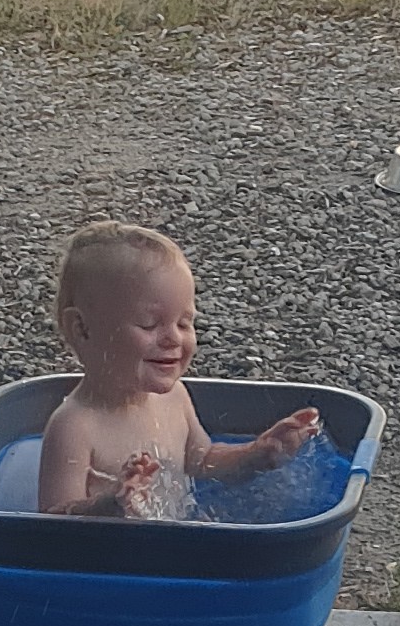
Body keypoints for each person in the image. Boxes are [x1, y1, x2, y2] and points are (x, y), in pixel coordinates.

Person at [38, 218, 320, 517]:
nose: (173, 337)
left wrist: (256, 454)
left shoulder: (174, 398)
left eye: (185, 323)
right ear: (82, 329)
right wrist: (110, 505)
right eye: (149, 324)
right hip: (109, 560)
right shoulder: (75, 426)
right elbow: (53, 519)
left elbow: (203, 462)